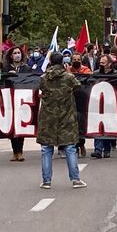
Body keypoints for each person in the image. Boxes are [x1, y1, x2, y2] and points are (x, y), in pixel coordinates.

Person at [37, 52, 86, 189]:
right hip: (66, 115)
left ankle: (46, 181)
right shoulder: (69, 77)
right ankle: (75, 179)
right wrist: (69, 72)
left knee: (46, 148)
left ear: (50, 62)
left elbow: (41, 89)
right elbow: (78, 87)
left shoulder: (44, 78)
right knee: (70, 147)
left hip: (48, 116)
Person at [91, 55, 117, 159]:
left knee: (107, 127)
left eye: (103, 62)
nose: (101, 64)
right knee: (98, 127)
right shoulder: (95, 74)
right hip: (97, 104)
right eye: (100, 62)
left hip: (110, 105)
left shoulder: (116, 74)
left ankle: (107, 149)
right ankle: (98, 150)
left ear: (109, 64)